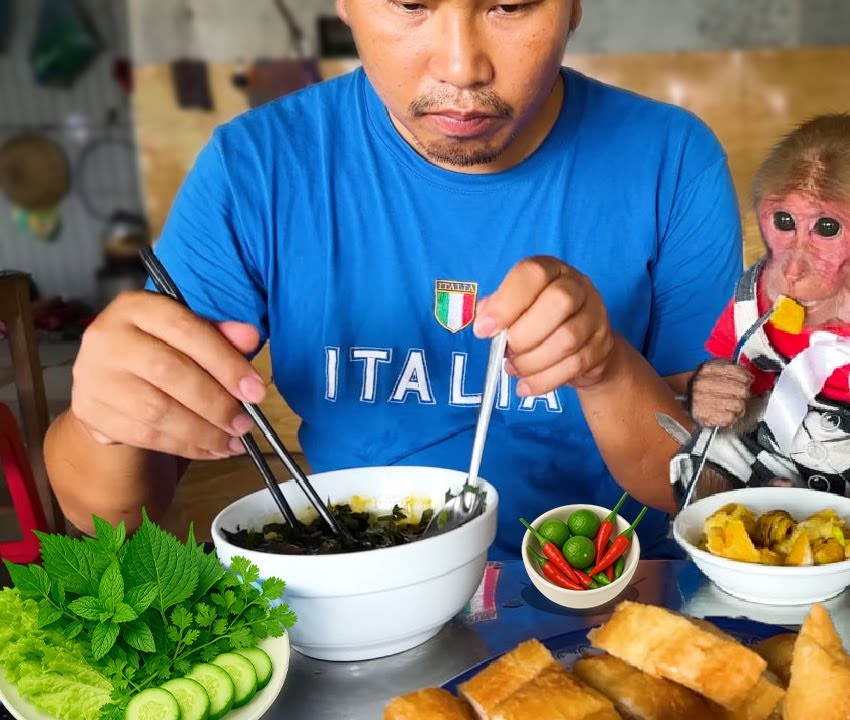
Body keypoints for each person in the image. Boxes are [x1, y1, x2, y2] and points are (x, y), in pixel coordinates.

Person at [43, 0, 743, 561]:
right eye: (410, 4)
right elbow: (108, 513)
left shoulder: (671, 161)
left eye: (511, 6)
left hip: (603, 593)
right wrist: (108, 422)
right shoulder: (257, 169)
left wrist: (605, 367)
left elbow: (707, 483)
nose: (462, 66)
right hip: (354, 600)